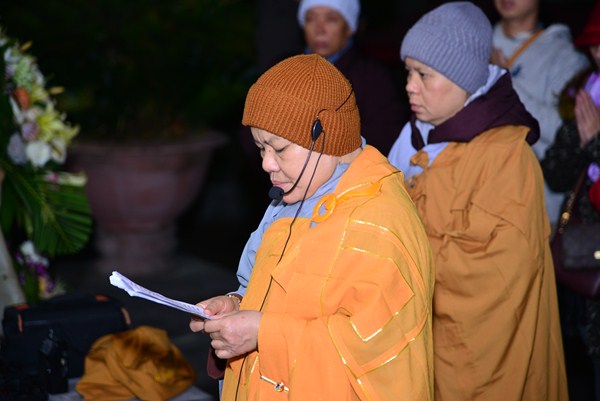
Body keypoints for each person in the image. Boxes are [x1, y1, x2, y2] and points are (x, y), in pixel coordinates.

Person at [190, 53, 434, 401]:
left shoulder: (380, 220)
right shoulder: (286, 203)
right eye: (261, 148)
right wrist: (236, 304)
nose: (267, 164)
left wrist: (264, 334)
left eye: (279, 149)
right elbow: (265, 290)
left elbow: (375, 355)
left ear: (325, 135)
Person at [387, 2, 568, 400]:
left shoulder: (506, 153)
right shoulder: (414, 136)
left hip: (483, 361)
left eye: (424, 75)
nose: (410, 86)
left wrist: (401, 256)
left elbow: (498, 274)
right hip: (421, 346)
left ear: (463, 78)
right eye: (408, 72)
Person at [541, 1, 600, 399]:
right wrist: (581, 140)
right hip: (580, 259)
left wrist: (595, 142)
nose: (599, 52)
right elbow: (555, 172)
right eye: (594, 44)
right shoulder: (585, 92)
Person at [491, 0, 590, 226]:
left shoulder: (566, 57)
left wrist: (505, 85)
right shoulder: (473, 42)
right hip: (474, 200)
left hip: (536, 212)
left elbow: (565, 133)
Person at [296, 0, 406, 155]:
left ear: (349, 28)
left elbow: (386, 138)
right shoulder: (283, 68)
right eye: (310, 19)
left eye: (331, 19)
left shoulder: (372, 77)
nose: (319, 29)